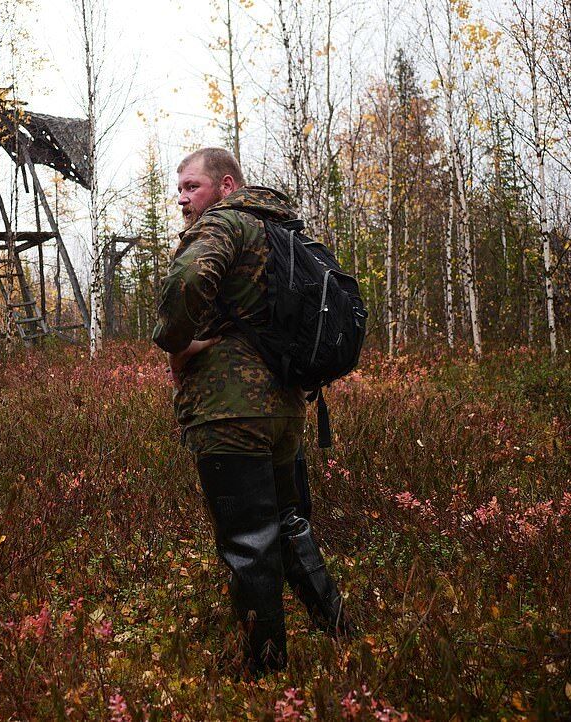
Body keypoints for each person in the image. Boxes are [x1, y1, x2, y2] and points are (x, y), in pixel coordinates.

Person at [152, 147, 351, 676]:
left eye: (192, 186)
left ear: (226, 185)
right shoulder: (281, 229)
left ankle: (265, 673)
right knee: (287, 522)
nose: (182, 199)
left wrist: (176, 344)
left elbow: (188, 282)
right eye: (180, 189)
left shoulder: (225, 224)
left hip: (228, 412)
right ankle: (338, 628)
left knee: (248, 542)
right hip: (284, 410)